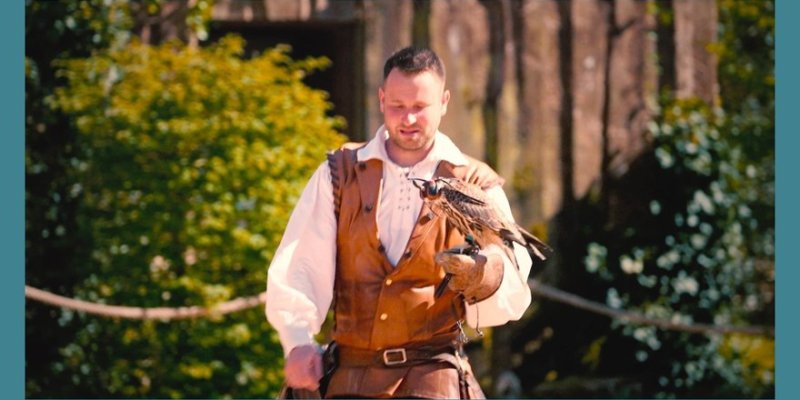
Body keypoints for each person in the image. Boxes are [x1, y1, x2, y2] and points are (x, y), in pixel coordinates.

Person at [266, 46, 533, 399]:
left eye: (420, 108)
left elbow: (513, 282)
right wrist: (297, 340)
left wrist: (485, 274)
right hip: (351, 377)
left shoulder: (474, 184)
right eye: (398, 106)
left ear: (444, 102)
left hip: (434, 376)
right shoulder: (340, 173)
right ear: (381, 99)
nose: (408, 119)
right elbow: (299, 265)